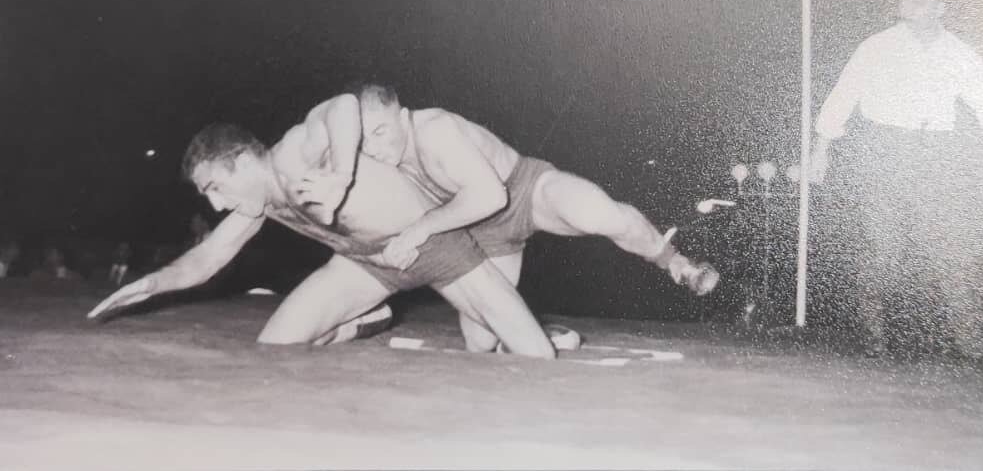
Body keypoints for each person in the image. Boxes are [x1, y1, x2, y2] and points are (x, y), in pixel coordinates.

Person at [292, 85, 720, 354]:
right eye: (363, 140)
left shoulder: (434, 130)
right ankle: (374, 320)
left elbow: (490, 195)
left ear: (402, 117)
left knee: (598, 213)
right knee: (480, 343)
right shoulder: (370, 164)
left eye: (381, 132)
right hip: (476, 234)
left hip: (522, 192)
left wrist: (420, 228)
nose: (373, 147)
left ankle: (675, 262)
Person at [88, 116, 556, 359]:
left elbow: (343, 107)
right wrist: (152, 283)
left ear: (244, 162)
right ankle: (363, 321)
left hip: (433, 247)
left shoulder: (294, 156)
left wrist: (342, 174)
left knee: (533, 353)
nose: (214, 204)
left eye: (215, 187)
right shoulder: (258, 203)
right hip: (365, 264)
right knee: (275, 345)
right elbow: (208, 257)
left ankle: (524, 326)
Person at [807, 0, 983, 358]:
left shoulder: (960, 53)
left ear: (940, 8)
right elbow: (844, 94)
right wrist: (821, 149)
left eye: (919, 3)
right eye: (904, 2)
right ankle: (872, 336)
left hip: (935, 154)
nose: (909, 9)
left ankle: (969, 341)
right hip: (884, 150)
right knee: (883, 250)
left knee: (952, 250)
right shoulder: (877, 46)